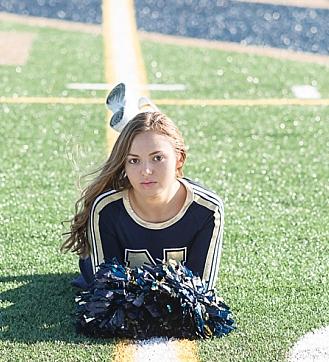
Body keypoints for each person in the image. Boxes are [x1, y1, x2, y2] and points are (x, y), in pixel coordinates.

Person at [63, 87, 224, 291]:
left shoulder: (207, 209)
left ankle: (135, 118)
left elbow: (201, 291)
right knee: (150, 134)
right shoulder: (106, 208)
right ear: (124, 165)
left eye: (157, 158)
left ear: (180, 159)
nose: (146, 171)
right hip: (112, 280)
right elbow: (106, 291)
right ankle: (139, 118)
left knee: (150, 134)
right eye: (133, 160)